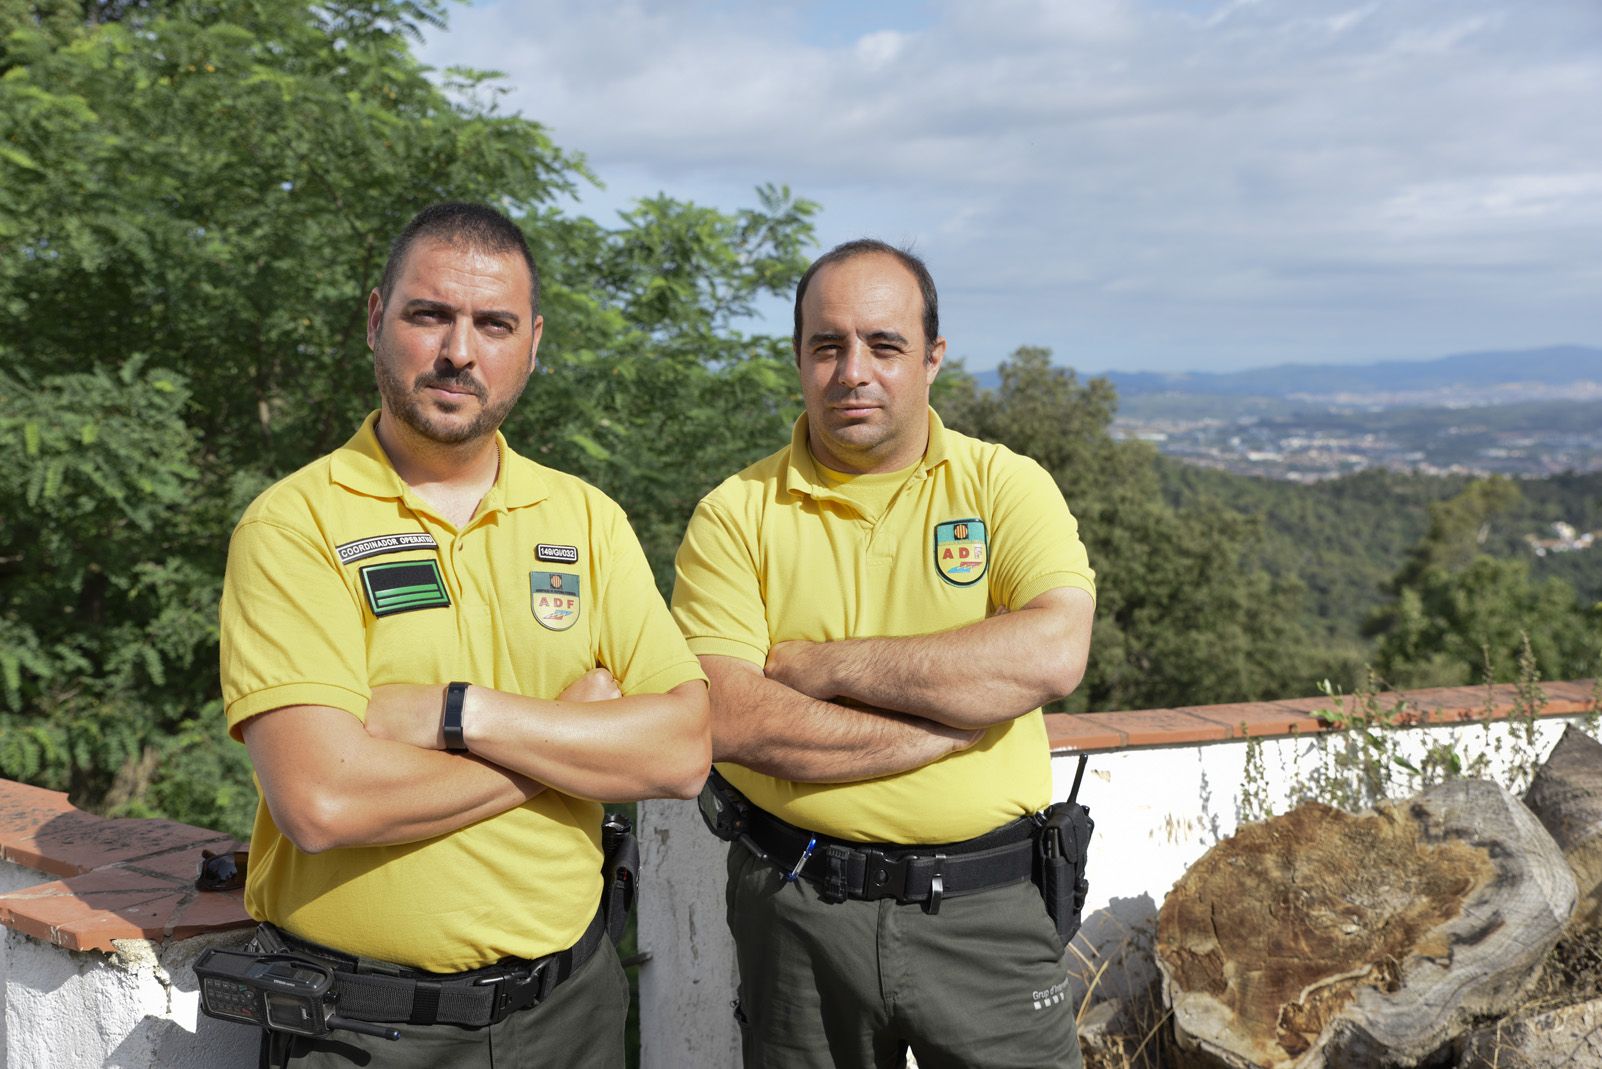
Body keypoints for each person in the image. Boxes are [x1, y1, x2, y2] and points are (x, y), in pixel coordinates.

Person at [219, 202, 710, 1068]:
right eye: (429, 315)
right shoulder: (294, 524)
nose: (459, 351)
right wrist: (565, 741)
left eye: (493, 323)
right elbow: (323, 801)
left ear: (532, 341)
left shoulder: (586, 518)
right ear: (377, 318)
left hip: (574, 1013)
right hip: (365, 1028)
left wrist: (459, 712)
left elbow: (679, 753)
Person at [672, 240, 1096, 1069]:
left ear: (933, 358)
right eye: (826, 345)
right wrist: (945, 727)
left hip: (987, 913)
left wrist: (825, 667)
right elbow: (726, 713)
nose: (852, 370)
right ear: (798, 356)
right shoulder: (735, 513)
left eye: (884, 344)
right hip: (797, 911)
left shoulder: (1004, 485)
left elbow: (1050, 652)